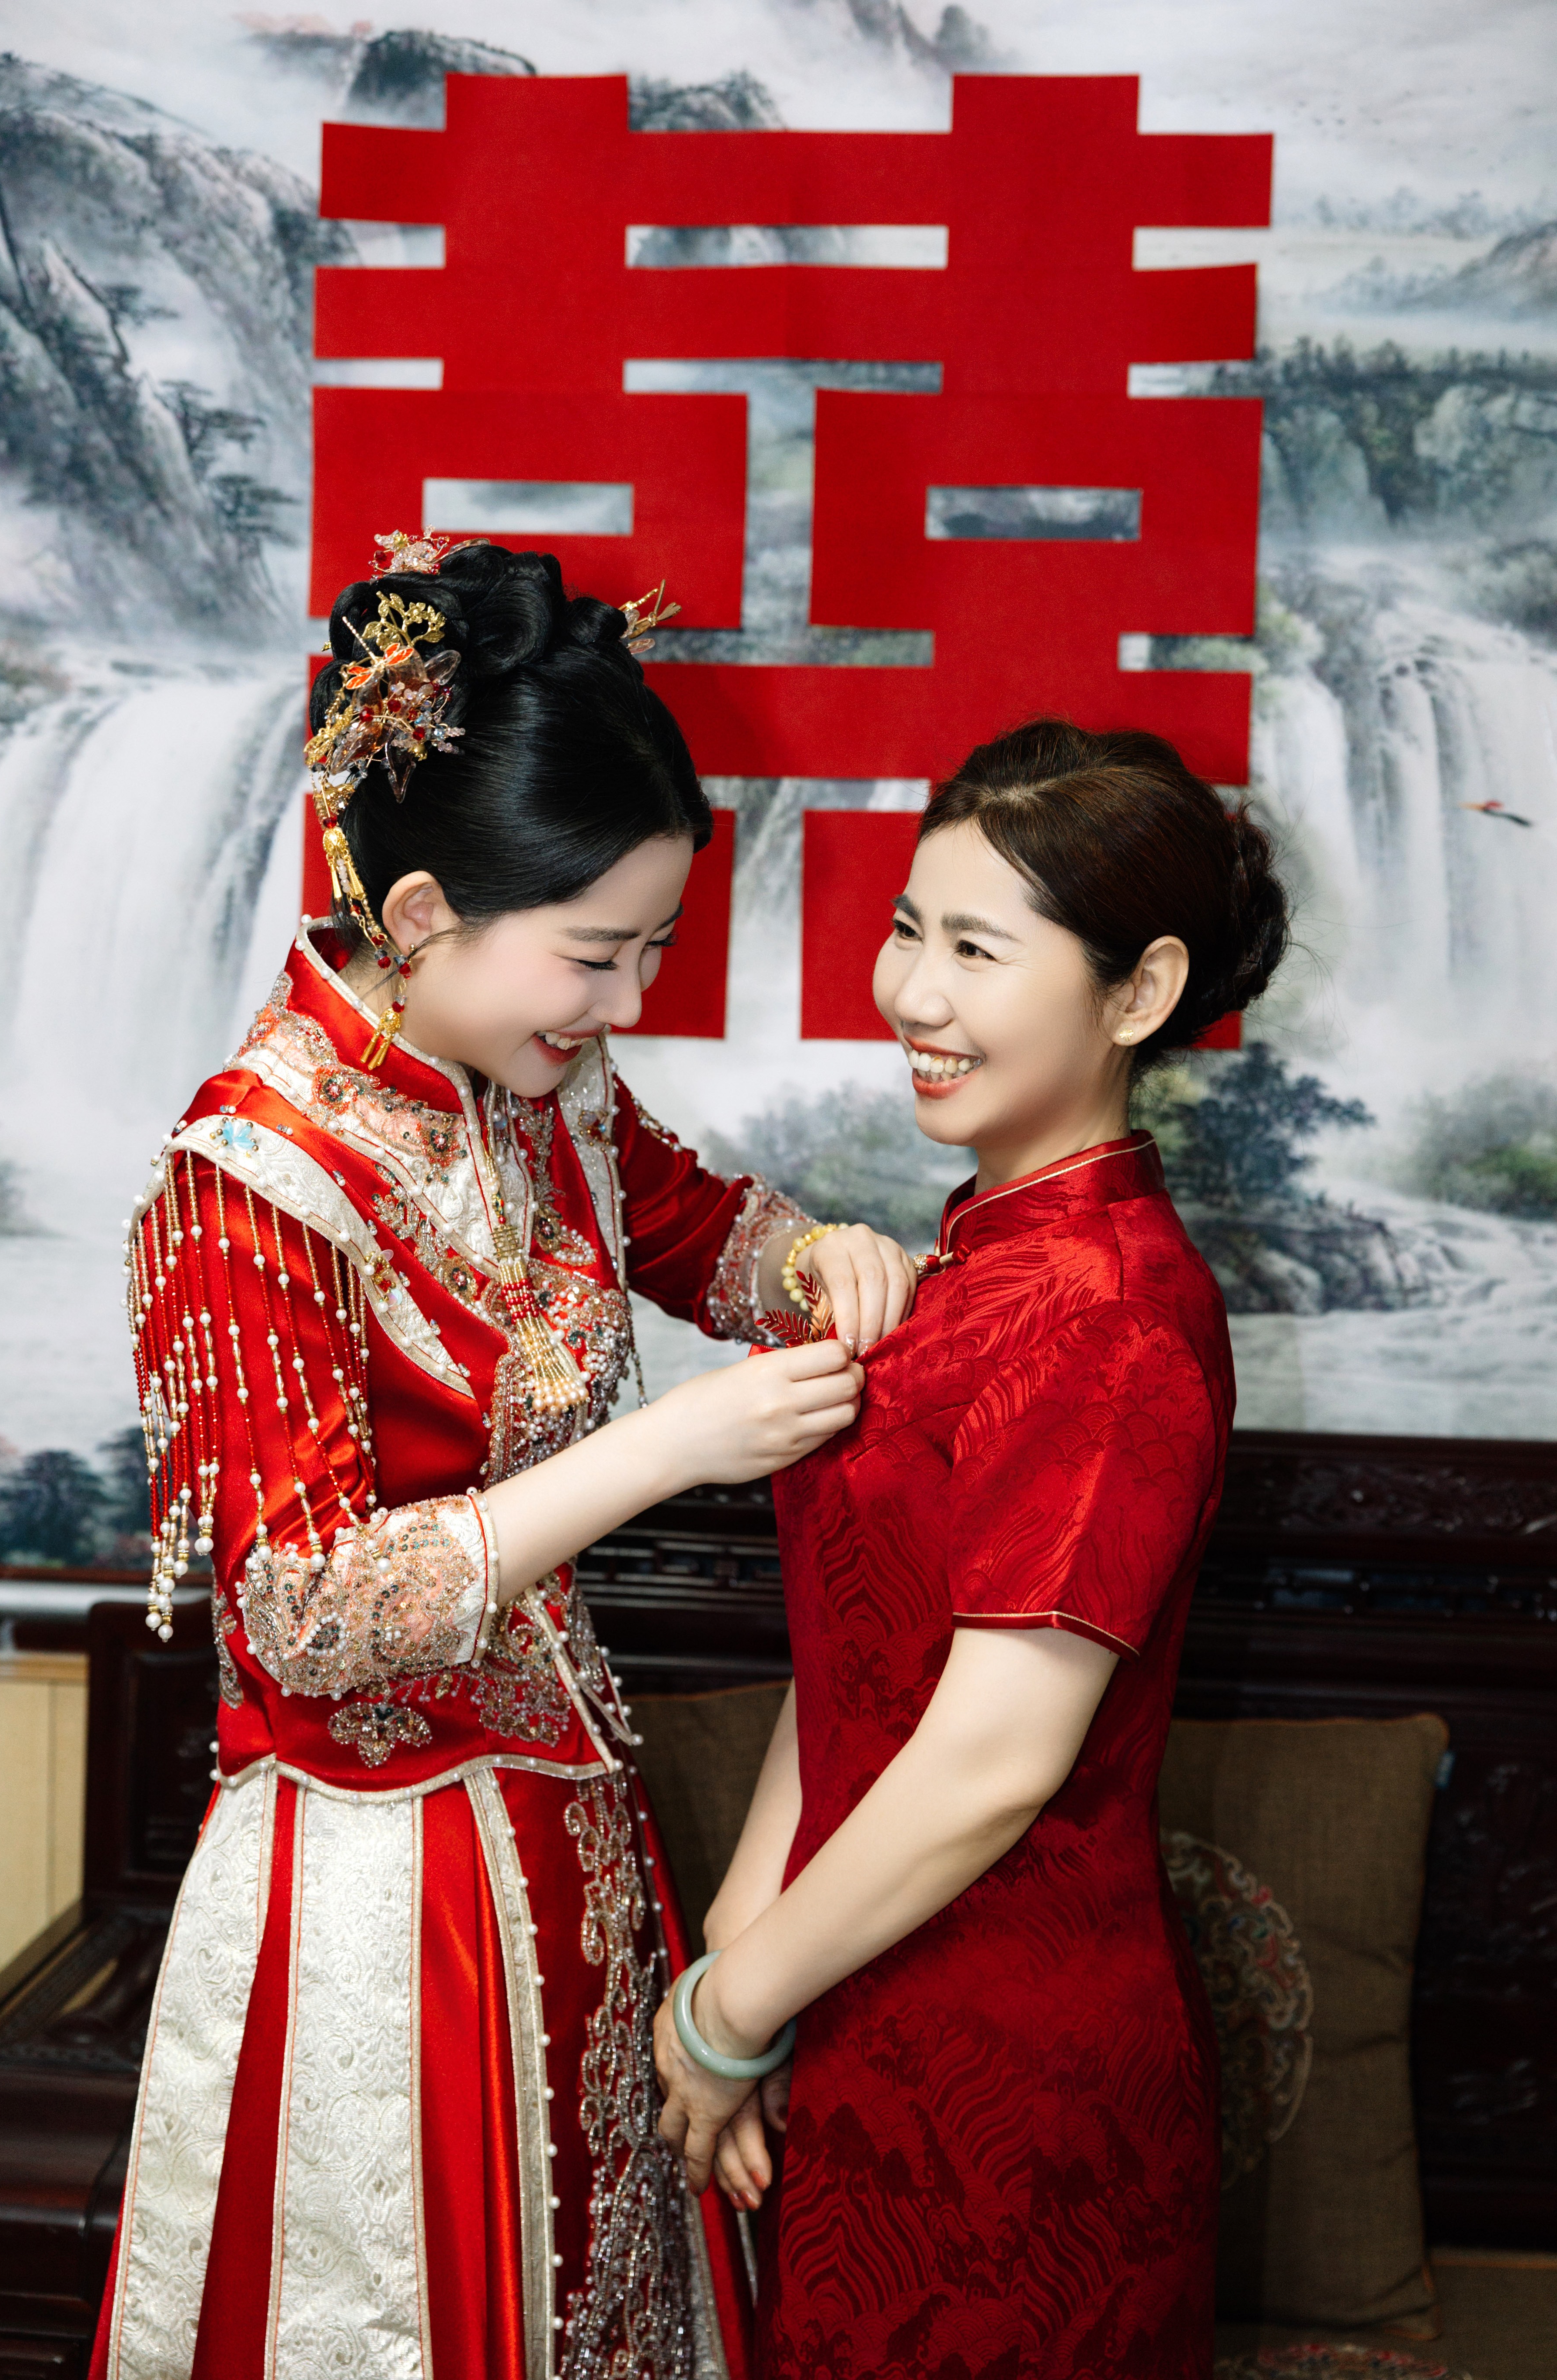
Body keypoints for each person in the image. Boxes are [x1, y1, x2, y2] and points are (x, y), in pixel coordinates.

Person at [93, 536, 916, 2380]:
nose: (623, 1001)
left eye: (651, 950)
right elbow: (307, 1611)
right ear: (414, 913)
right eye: (595, 953)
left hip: (568, 1829)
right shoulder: (255, 1182)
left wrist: (820, 1261)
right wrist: (671, 1446)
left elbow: (697, 1226)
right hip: (378, 1889)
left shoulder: (540, 1088)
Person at [652, 717, 1291, 2380]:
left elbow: (996, 1756)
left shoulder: (1112, 1311)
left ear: (1142, 993)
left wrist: (731, 2008)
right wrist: (744, 1958)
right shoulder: (975, 1266)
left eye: (978, 951)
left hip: (1016, 2091)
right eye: (906, 931)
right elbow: (861, 1653)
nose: (914, 996)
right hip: (857, 2004)